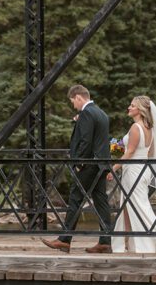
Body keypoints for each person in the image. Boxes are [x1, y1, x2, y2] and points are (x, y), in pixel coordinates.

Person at [109, 95, 156, 254]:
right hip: (143, 170)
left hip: (133, 172)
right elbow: (148, 152)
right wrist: (115, 148)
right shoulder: (149, 128)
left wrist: (113, 168)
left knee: (140, 208)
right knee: (130, 207)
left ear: (140, 110)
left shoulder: (135, 127)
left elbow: (130, 152)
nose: (129, 107)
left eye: (132, 105)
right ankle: (127, 242)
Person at [42, 84, 112, 254]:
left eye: (73, 101)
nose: (73, 105)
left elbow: (86, 141)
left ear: (79, 97)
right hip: (100, 165)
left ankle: (64, 240)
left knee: (75, 199)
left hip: (88, 165)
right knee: (101, 202)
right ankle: (105, 242)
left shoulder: (87, 113)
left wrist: (79, 163)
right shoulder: (101, 113)